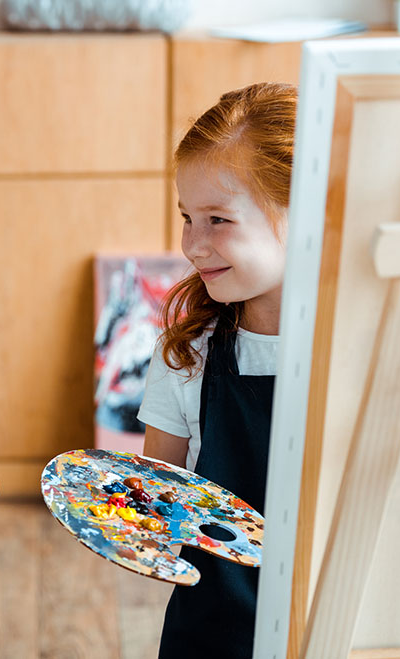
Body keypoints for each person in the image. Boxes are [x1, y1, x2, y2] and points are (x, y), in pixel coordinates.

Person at [137, 81, 297, 658]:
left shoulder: (362, 353)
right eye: (187, 216)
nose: (192, 244)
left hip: (339, 626)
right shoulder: (187, 351)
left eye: (218, 219)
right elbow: (155, 492)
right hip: (214, 633)